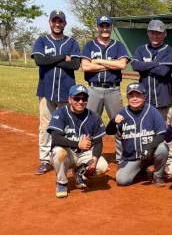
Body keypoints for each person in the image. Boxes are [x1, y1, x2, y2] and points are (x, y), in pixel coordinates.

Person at [31, 10, 81, 175]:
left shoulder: (71, 42)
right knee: (45, 127)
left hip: (67, 93)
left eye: (60, 21)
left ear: (65, 23)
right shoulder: (42, 40)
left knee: (68, 127)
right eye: (54, 21)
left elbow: (75, 65)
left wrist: (51, 61)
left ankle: (69, 159)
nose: (57, 24)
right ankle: (45, 160)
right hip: (46, 92)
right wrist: (62, 58)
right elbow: (39, 60)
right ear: (50, 22)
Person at [81, 15, 130, 161]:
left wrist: (98, 61)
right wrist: (110, 64)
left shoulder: (118, 45)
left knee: (119, 123)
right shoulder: (89, 45)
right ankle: (87, 157)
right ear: (97, 28)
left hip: (112, 90)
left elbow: (122, 65)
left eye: (107, 26)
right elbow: (85, 67)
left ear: (111, 27)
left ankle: (123, 158)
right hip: (93, 90)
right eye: (101, 26)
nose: (104, 29)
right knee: (88, 123)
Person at [47, 84, 108, 198]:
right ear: (70, 99)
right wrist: (78, 144)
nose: (81, 101)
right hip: (68, 154)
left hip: (84, 154)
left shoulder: (94, 116)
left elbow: (98, 141)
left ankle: (80, 172)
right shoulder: (60, 113)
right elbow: (56, 138)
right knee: (58, 152)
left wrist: (94, 158)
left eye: (84, 99)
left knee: (102, 166)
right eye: (77, 98)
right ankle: (62, 182)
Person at [105, 82, 168, 186]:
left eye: (138, 95)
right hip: (132, 157)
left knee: (162, 148)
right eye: (131, 95)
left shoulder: (152, 111)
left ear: (144, 96)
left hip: (150, 155)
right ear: (127, 97)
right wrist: (113, 122)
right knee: (122, 180)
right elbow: (109, 131)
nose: (134, 98)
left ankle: (158, 176)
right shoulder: (122, 113)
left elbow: (162, 133)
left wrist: (149, 147)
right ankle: (141, 171)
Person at [131, 19, 172, 121]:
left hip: (163, 100)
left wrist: (144, 66)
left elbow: (163, 71)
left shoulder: (169, 50)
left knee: (164, 132)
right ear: (148, 33)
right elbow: (135, 66)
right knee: (145, 131)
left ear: (165, 34)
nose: (155, 36)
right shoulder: (141, 49)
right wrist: (155, 64)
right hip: (144, 99)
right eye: (152, 32)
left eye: (158, 33)